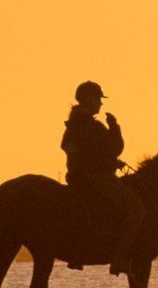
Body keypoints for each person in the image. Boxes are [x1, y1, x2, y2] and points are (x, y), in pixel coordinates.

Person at [61, 81, 145, 276]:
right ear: (88, 99)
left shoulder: (73, 125)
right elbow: (114, 148)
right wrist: (115, 127)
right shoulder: (92, 126)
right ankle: (119, 258)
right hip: (95, 178)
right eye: (98, 99)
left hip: (77, 177)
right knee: (136, 210)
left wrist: (111, 162)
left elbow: (82, 152)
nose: (100, 104)